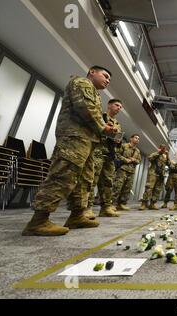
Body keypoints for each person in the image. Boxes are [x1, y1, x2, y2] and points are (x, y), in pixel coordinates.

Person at [22, 66, 117, 236]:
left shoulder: (94, 92)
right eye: (105, 75)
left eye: (109, 78)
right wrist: (104, 127)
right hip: (74, 138)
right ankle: (38, 221)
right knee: (62, 176)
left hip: (87, 141)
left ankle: (77, 215)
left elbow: (90, 113)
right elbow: (85, 108)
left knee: (84, 180)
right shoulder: (82, 82)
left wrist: (103, 128)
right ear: (92, 72)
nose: (108, 80)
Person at [86, 99, 123, 218]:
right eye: (117, 105)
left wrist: (118, 141)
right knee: (92, 180)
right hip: (98, 151)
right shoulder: (100, 117)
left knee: (108, 182)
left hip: (110, 154)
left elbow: (117, 141)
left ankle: (106, 207)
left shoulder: (117, 124)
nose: (119, 108)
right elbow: (92, 130)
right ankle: (87, 208)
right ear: (109, 105)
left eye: (120, 107)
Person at [113, 134, 141, 211]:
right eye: (136, 138)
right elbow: (117, 154)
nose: (137, 139)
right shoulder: (124, 146)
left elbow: (139, 161)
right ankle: (112, 204)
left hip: (131, 171)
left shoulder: (137, 151)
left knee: (127, 188)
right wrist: (125, 159)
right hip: (122, 169)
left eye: (138, 139)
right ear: (131, 138)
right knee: (117, 187)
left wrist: (133, 160)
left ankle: (121, 204)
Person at [139, 144, 169, 210]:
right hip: (153, 173)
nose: (163, 150)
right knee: (149, 188)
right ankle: (144, 203)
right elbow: (150, 158)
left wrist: (168, 156)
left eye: (164, 148)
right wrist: (159, 152)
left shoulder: (165, 156)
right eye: (162, 148)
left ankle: (152, 204)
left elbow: (169, 164)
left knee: (157, 190)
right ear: (159, 148)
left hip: (161, 175)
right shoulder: (155, 154)